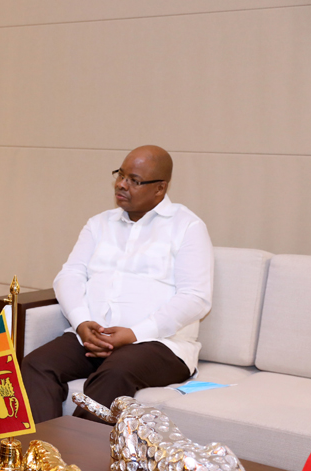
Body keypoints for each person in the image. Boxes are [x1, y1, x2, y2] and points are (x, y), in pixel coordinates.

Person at [21, 145, 213, 423]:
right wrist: (81, 322)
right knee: (37, 365)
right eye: (120, 175)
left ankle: (72, 462)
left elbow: (196, 297)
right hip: (93, 334)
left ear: (160, 189)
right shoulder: (99, 224)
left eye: (134, 180)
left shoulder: (187, 227)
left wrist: (134, 333)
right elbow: (69, 275)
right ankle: (42, 455)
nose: (121, 184)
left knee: (115, 372)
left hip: (159, 345)